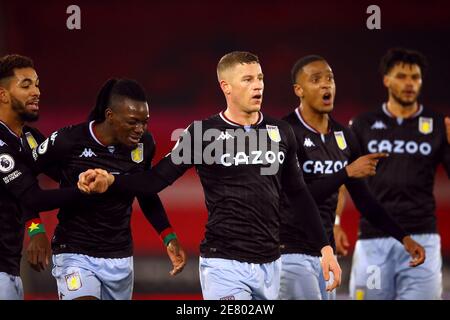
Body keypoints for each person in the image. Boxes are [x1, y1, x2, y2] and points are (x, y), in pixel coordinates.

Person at [78, 51, 341, 300]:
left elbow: (298, 194)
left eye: (260, 78)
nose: (258, 86)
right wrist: (112, 180)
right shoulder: (203, 134)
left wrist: (325, 248)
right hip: (223, 263)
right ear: (226, 86)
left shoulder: (281, 131)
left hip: (271, 264)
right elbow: (154, 181)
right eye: (248, 79)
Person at [278, 55, 426, 300]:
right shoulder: (285, 132)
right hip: (289, 251)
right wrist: (345, 172)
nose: (327, 85)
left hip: (326, 254)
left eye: (330, 78)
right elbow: (294, 198)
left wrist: (404, 238)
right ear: (299, 90)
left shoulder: (345, 137)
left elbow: (365, 200)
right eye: (316, 80)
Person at [32, 78, 187, 300]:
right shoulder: (68, 140)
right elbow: (24, 181)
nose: (140, 129)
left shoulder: (145, 144)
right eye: (133, 122)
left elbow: (144, 189)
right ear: (110, 115)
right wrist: (35, 229)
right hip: (74, 251)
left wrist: (168, 235)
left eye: (145, 122)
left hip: (119, 256)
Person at [339, 48, 450, 300]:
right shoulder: (363, 124)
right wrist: (335, 223)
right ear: (386, 80)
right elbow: (343, 178)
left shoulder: (438, 124)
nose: (409, 83)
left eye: (415, 77)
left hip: (423, 237)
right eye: (401, 76)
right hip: (373, 239)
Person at [0, 54, 86, 299]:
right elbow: (33, 197)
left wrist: (100, 168)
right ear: (3, 95)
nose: (36, 91)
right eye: (26, 85)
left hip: (9, 268)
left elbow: (64, 174)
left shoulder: (28, 138)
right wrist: (85, 191)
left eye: (37, 84)